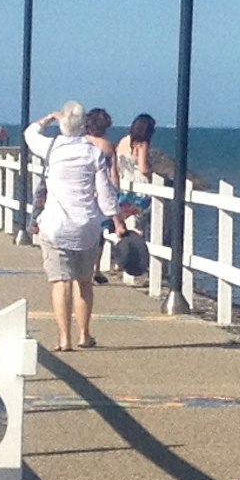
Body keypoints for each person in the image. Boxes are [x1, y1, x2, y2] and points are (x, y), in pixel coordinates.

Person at [24, 101, 124, 351]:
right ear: (83, 126)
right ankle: (84, 334)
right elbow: (106, 194)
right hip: (87, 227)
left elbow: (29, 133)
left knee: (60, 282)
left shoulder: (51, 147)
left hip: (55, 226)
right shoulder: (93, 153)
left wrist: (48, 117)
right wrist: (117, 221)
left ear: (63, 124)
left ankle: (64, 339)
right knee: (84, 281)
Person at [113, 112, 165, 284]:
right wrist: (153, 173)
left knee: (125, 227)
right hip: (140, 191)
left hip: (125, 187)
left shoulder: (123, 141)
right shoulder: (142, 144)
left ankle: (120, 260)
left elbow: (118, 162)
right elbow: (143, 168)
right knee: (138, 229)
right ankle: (133, 268)